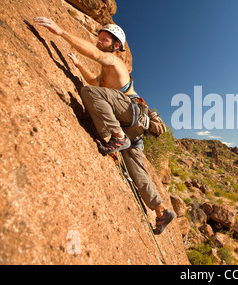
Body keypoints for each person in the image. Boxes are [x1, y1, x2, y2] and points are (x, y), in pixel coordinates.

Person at [33, 16, 175, 235]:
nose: (99, 42)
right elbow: (95, 82)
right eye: (99, 38)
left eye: (105, 40)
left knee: (88, 93)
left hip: (130, 115)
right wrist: (78, 65)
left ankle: (117, 136)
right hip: (134, 126)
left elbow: (94, 56)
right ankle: (161, 211)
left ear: (116, 46)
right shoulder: (106, 72)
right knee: (139, 173)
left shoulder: (114, 60)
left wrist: (61, 32)